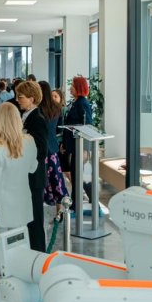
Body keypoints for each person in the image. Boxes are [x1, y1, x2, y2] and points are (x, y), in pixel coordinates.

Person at [0, 103, 38, 234]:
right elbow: (33, 168)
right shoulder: (30, 141)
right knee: (21, 243)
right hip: (22, 204)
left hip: (2, 207)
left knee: (2, 244)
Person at [14, 81, 48, 252]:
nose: (17, 99)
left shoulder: (37, 119)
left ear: (32, 99)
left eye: (20, 97)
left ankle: (38, 256)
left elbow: (42, 150)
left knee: (35, 220)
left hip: (34, 177)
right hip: (26, 176)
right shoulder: (25, 116)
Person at [61, 75, 94, 208]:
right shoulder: (76, 103)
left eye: (72, 86)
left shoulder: (82, 103)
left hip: (80, 147)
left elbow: (87, 126)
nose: (70, 89)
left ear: (79, 88)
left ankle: (80, 204)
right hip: (75, 146)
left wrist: (86, 149)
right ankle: (78, 204)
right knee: (77, 176)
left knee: (80, 177)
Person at [38, 81, 69, 211]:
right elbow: (59, 129)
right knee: (56, 179)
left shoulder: (37, 109)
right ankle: (59, 211)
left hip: (40, 149)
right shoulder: (56, 108)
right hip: (52, 147)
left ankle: (39, 209)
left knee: (40, 181)